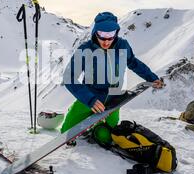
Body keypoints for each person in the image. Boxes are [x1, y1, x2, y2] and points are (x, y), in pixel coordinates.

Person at [60, 12, 164, 146]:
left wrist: (152, 78)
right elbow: (69, 77)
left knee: (107, 138)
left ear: (116, 33)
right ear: (95, 32)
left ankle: (95, 126)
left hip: (113, 100)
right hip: (90, 98)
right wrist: (89, 99)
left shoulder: (122, 46)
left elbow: (133, 63)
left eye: (110, 35)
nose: (106, 41)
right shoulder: (85, 49)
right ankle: (77, 113)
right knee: (66, 133)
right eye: (102, 35)